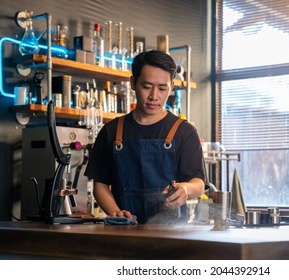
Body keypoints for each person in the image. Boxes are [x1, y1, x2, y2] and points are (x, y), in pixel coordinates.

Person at [84, 50, 205, 224]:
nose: (154, 96)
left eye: (162, 88)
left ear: (171, 87)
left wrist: (187, 188)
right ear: (133, 83)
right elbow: (100, 185)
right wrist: (116, 213)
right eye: (147, 87)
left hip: (172, 235)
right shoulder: (111, 131)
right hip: (124, 232)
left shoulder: (184, 132)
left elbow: (199, 183)